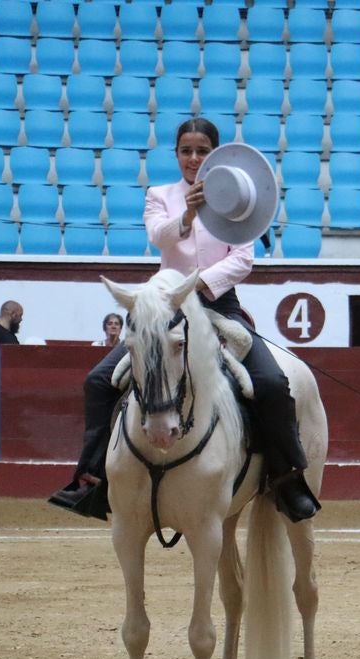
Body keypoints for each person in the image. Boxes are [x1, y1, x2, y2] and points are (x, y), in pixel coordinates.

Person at [49, 117, 320, 522]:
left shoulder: (239, 200)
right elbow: (159, 237)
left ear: (215, 154)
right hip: (165, 309)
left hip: (217, 306)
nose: (193, 159)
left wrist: (196, 287)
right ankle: (92, 481)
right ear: (176, 154)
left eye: (202, 151)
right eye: (186, 151)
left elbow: (243, 259)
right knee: (99, 382)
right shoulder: (160, 195)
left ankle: (286, 479)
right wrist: (188, 216)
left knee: (272, 383)